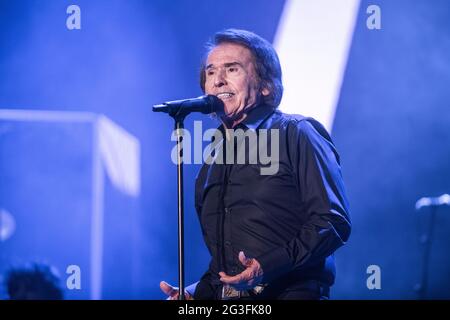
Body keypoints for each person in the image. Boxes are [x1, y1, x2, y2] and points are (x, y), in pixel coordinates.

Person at [160, 28, 351, 300]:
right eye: (211, 72)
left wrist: (265, 268)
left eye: (232, 69)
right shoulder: (215, 156)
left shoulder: (296, 133)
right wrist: (196, 293)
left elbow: (332, 221)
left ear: (266, 86)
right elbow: (225, 262)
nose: (218, 81)